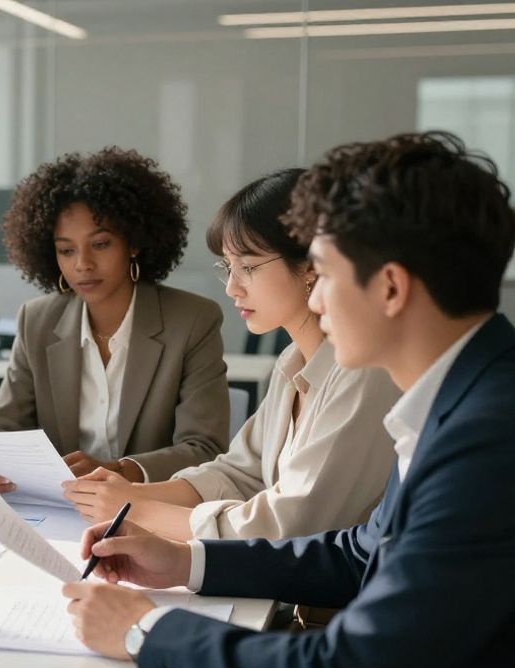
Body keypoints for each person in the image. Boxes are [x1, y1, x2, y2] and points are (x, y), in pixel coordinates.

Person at [62, 131, 515, 668]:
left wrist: (144, 629)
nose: (318, 299)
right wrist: (181, 563)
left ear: (389, 288)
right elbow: (356, 551)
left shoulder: (487, 443)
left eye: (325, 274)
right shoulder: (462, 401)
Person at [62, 169, 399, 540]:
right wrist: (126, 495)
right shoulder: (293, 363)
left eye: (248, 267)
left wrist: (141, 510)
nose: (232, 288)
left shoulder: (361, 370)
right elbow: (239, 474)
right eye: (228, 268)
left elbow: (291, 522)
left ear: (308, 266)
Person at [0, 147, 230, 502]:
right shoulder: (37, 321)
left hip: (146, 514)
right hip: (57, 513)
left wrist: (119, 471)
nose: (82, 264)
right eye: (66, 250)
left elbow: (204, 448)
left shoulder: (192, 320)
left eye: (100, 244)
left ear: (133, 242)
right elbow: (1, 429)